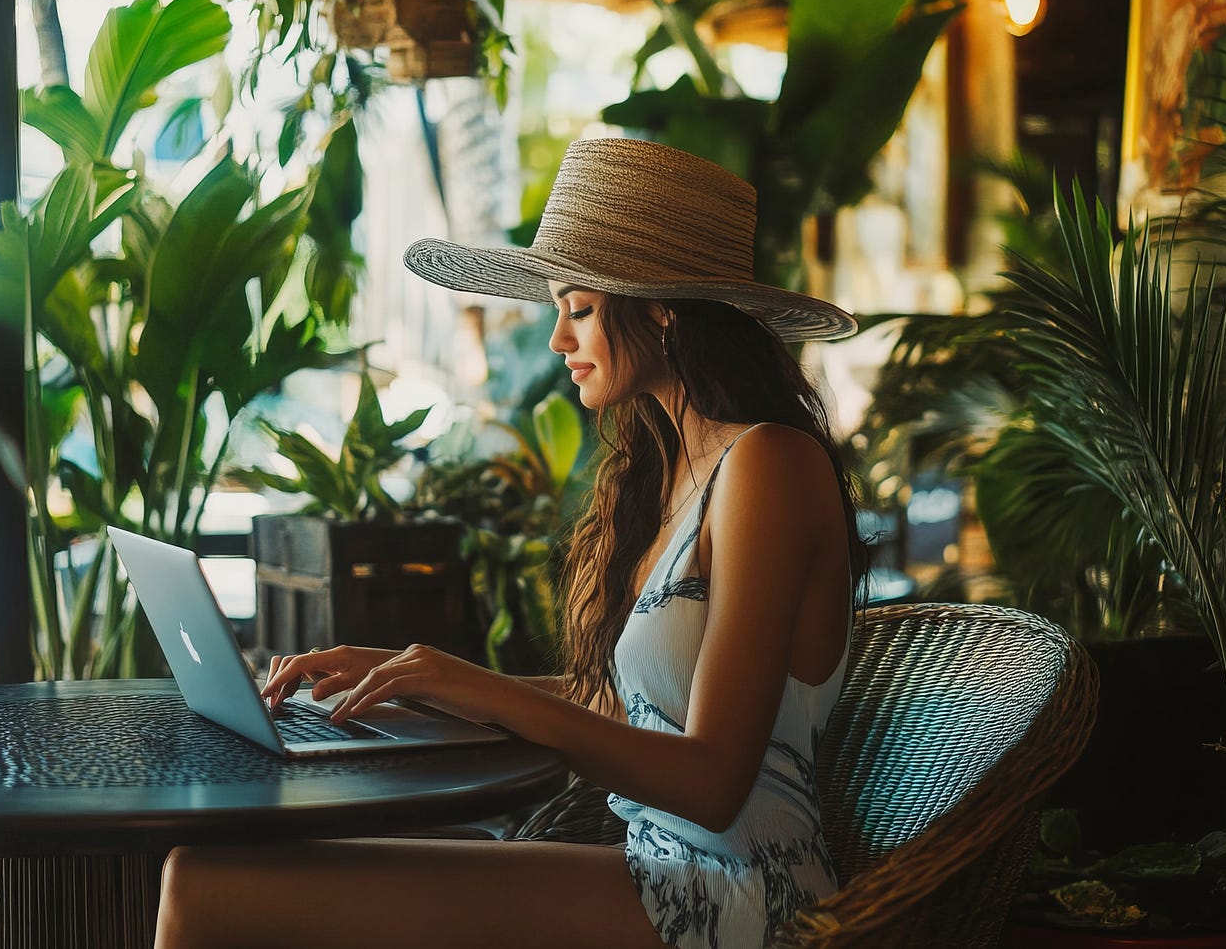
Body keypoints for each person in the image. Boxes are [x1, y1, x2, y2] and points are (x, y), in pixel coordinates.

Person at [153, 137, 864, 949]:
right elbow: (616, 713)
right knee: (229, 863)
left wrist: (472, 683)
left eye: (582, 309)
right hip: (654, 867)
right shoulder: (669, 474)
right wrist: (412, 676)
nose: (559, 340)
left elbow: (711, 782)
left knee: (206, 884)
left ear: (664, 308)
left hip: (740, 897)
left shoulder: (769, 464)